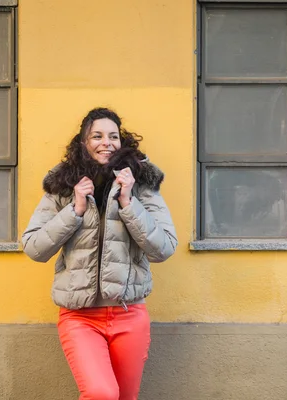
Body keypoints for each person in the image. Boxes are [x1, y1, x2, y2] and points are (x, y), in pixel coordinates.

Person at [22, 107, 178, 400]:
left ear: (122, 141)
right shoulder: (63, 186)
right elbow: (34, 247)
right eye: (97, 136)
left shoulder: (141, 184)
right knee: (101, 393)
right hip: (79, 316)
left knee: (125, 397)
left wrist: (129, 203)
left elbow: (164, 248)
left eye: (113, 136)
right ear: (84, 143)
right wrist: (75, 210)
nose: (106, 142)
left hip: (129, 314)